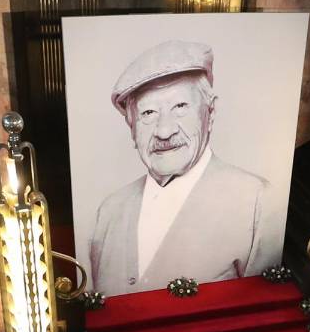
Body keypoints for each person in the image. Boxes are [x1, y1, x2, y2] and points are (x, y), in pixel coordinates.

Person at [88, 39, 273, 296]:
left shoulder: (256, 201)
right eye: (148, 113)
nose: (165, 130)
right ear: (131, 126)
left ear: (211, 112)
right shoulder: (110, 210)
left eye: (180, 107)